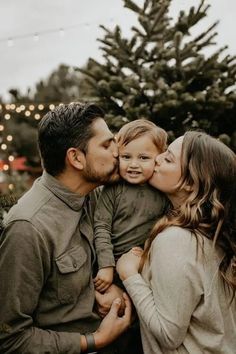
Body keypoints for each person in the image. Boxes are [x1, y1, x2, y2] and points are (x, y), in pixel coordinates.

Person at [0, 102, 132, 354]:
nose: (118, 151)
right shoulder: (28, 228)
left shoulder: (99, 197)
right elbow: (10, 337)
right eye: (106, 144)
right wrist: (94, 340)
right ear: (76, 158)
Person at [117, 131, 236, 353]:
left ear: (191, 183)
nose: (157, 158)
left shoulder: (176, 240)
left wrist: (129, 274)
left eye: (168, 158)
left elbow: (168, 335)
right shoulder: (210, 232)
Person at [93, 119, 168, 293]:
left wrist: (148, 250)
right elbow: (101, 226)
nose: (134, 165)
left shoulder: (162, 190)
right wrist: (106, 265)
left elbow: (166, 227)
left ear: (159, 158)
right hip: (108, 267)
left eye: (143, 158)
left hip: (144, 267)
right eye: (126, 157)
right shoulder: (112, 189)